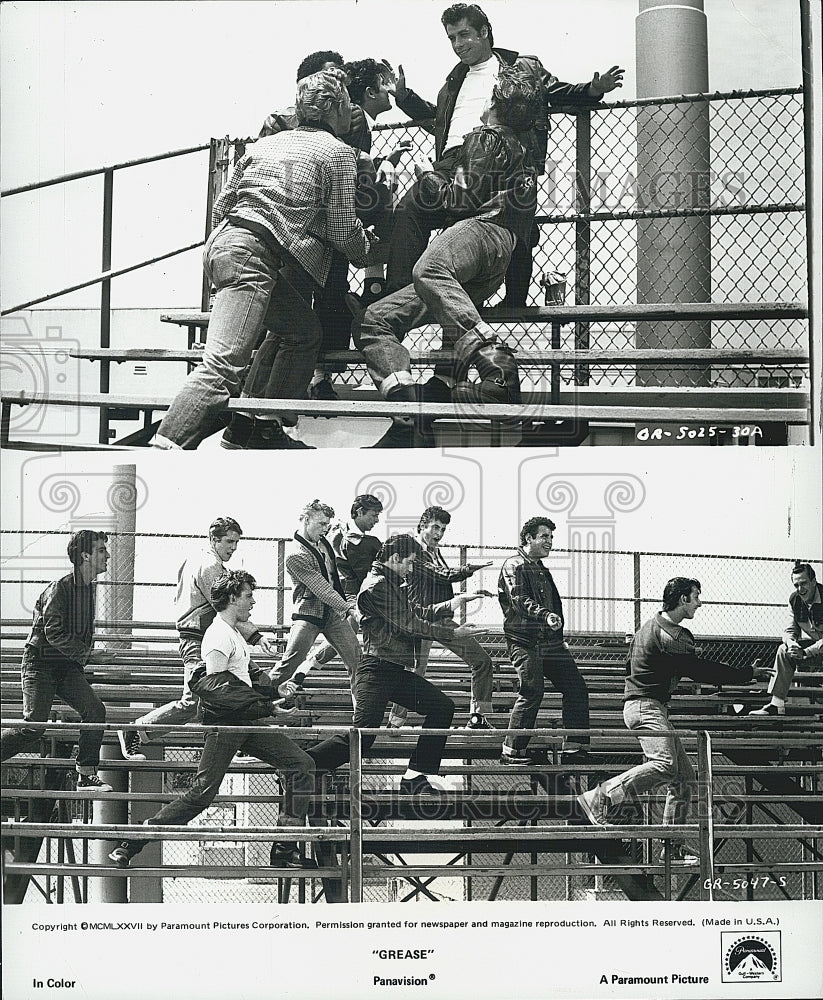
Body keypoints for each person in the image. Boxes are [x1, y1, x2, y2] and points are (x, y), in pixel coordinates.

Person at [153, 70, 375, 450]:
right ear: (337, 108)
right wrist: (367, 250)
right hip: (252, 258)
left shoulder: (265, 145)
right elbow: (342, 231)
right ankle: (164, 447)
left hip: (227, 243)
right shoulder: (339, 153)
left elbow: (222, 206)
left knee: (302, 332)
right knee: (222, 367)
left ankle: (259, 430)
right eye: (348, 106)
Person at [386, 3, 624, 305]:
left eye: (464, 35)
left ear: (484, 31)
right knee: (411, 207)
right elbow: (439, 122)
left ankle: (512, 301)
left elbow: (555, 91)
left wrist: (592, 89)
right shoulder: (453, 81)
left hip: (502, 155)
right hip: (452, 161)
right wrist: (405, 98)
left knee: (506, 219)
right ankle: (397, 298)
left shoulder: (522, 67)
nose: (458, 45)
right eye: (452, 38)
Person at [353, 65, 540, 447]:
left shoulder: (486, 137)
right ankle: (408, 414)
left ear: (496, 104)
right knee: (377, 320)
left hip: (482, 233)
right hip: (485, 256)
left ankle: (499, 367)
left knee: (429, 267)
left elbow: (461, 201)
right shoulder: (522, 144)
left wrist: (428, 177)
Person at [108, 571, 314, 869]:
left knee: (301, 764)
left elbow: (243, 679)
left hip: (246, 723)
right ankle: (135, 840)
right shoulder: (218, 635)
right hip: (226, 726)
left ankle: (284, 848)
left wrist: (275, 691)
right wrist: (267, 708)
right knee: (201, 795)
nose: (253, 601)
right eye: (248, 596)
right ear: (232, 599)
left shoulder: (233, 633)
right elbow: (217, 691)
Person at [258, 51, 404, 403]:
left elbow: (351, 170)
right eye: (329, 77)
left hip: (331, 221)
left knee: (328, 297)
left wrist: (375, 163)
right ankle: (267, 401)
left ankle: (310, 383)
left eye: (341, 77)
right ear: (306, 85)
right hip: (289, 227)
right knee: (291, 314)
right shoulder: (280, 121)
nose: (339, 83)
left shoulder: (350, 117)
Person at [576, 577, 754, 865]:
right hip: (646, 707)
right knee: (665, 764)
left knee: (684, 779)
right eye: (696, 596)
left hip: (647, 705)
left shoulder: (650, 627)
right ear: (683, 599)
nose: (699, 602)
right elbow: (700, 670)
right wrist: (746, 674)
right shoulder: (671, 634)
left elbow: (639, 665)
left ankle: (671, 847)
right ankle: (600, 797)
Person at [307, 534, 469, 795]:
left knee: (442, 707)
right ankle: (301, 765)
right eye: (409, 562)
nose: (411, 568)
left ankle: (415, 777)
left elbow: (413, 614)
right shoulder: (378, 585)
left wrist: (450, 604)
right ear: (395, 558)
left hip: (393, 669)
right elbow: (408, 624)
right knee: (363, 738)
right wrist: (453, 633)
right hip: (377, 670)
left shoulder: (392, 583)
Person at [118, 516, 278, 760]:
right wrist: (255, 636)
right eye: (228, 542)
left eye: (236, 542)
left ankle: (243, 741)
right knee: (193, 701)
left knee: (245, 685)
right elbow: (227, 605)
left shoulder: (198, 560)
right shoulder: (209, 565)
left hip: (213, 637)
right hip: (200, 638)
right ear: (213, 539)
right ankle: (136, 731)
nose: (233, 548)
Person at [1, 530, 113, 794]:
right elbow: (53, 633)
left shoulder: (88, 589)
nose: (107, 555)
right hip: (40, 664)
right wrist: (88, 655)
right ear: (85, 555)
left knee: (95, 711)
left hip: (65, 667)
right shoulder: (60, 588)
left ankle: (86, 776)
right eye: (101, 550)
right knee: (34, 727)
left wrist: (82, 657)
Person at [498, 517, 589, 785]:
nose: (549, 541)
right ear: (528, 538)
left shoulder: (540, 568)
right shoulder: (514, 565)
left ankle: (574, 747)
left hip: (550, 643)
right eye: (544, 536)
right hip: (524, 642)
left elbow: (556, 606)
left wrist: (558, 636)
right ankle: (511, 750)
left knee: (576, 688)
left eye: (551, 537)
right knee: (532, 690)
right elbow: (519, 600)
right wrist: (544, 615)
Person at [388, 505, 494, 729]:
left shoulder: (436, 552)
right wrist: (468, 569)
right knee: (416, 670)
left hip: (442, 618)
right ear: (422, 526)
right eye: (435, 527)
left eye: (443, 529)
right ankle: (394, 724)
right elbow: (439, 574)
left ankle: (478, 718)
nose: (439, 533)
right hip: (420, 619)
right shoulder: (412, 550)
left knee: (482, 661)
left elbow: (441, 576)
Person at [271, 500, 362, 695]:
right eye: (321, 524)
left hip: (332, 615)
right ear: (305, 520)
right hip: (309, 615)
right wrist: (349, 609)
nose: (325, 529)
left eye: (327, 525)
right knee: (288, 666)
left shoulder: (324, 542)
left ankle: (362, 717)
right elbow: (322, 588)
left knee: (358, 664)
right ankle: (256, 703)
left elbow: (334, 578)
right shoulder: (296, 555)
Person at [298, 493, 385, 678]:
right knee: (351, 637)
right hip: (344, 597)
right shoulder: (338, 535)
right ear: (359, 513)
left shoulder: (358, 539)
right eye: (374, 515)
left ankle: (312, 662)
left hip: (352, 597)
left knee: (351, 641)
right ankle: (311, 663)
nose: (377, 520)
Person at [751, 562, 822, 716]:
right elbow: (790, 631)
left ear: (814, 581)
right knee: (784, 649)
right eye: (796, 585)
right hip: (815, 652)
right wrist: (792, 645)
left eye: (804, 584)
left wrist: (805, 652)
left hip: (815, 649)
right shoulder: (794, 600)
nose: (800, 589)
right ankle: (777, 704)